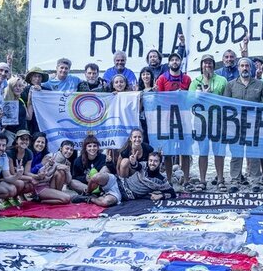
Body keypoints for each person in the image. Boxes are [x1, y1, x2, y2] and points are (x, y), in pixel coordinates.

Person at [224, 57, 263, 192]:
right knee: (236, 154)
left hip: (254, 125)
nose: (245, 68)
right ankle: (235, 180)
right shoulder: (231, 84)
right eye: (242, 66)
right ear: (238, 68)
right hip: (236, 125)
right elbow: (225, 105)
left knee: (254, 154)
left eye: (247, 66)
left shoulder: (259, 84)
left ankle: (255, 181)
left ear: (251, 68)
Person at [73, 151, 176, 206]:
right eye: (151, 160)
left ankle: (89, 199)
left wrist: (161, 196)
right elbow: (136, 166)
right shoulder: (144, 166)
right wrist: (132, 161)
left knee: (106, 202)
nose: (152, 163)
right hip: (117, 181)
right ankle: (88, 192)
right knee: (96, 176)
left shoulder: (161, 180)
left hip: (122, 195)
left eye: (155, 161)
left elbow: (172, 193)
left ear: (160, 163)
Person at [188, 54, 228, 191]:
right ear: (201, 65)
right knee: (203, 151)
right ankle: (202, 180)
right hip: (201, 121)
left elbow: (227, 100)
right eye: (205, 63)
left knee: (219, 151)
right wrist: (201, 96)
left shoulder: (222, 80)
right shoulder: (195, 81)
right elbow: (188, 101)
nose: (208, 65)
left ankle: (221, 180)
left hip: (218, 120)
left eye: (210, 63)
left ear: (214, 65)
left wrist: (211, 97)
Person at [155, 51, 192, 183]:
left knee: (185, 150)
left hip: (183, 118)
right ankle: (170, 179)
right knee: (168, 151)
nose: (175, 62)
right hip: (167, 119)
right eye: (172, 60)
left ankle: (186, 179)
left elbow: (191, 98)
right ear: (169, 63)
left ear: (180, 62)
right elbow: (157, 98)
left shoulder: (187, 79)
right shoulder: (162, 79)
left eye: (177, 60)